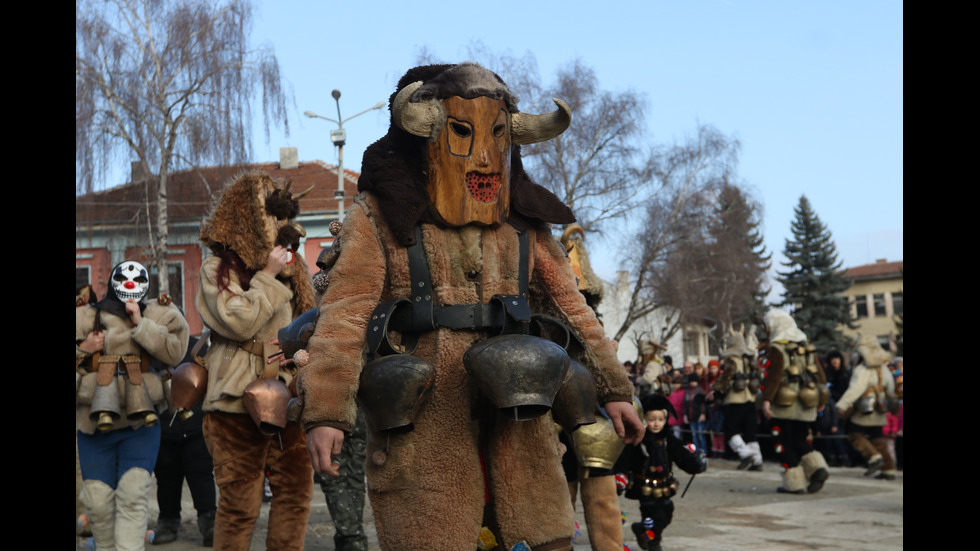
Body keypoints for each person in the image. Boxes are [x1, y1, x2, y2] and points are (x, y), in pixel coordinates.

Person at [298, 62, 644, 551]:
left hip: (522, 441)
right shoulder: (378, 216)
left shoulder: (526, 224)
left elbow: (573, 310)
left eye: (498, 135)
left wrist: (615, 388)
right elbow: (345, 318)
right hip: (423, 442)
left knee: (542, 541)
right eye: (462, 133)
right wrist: (327, 414)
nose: (484, 156)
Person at [196, 171, 317, 550]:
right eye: (270, 215)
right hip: (234, 403)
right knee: (238, 507)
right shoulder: (216, 269)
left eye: (282, 217)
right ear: (246, 219)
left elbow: (309, 324)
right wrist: (267, 275)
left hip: (289, 400)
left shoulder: (293, 271)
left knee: (296, 498)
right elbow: (237, 320)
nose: (279, 226)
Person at [76, 261, 190, 551]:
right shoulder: (83, 317)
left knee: (133, 492)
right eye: (123, 279)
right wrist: (82, 349)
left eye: (136, 279)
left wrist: (142, 324)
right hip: (92, 427)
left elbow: (176, 353)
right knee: (97, 502)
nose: (129, 285)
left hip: (141, 425)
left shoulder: (161, 313)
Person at [617, 393, 707, 551]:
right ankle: (654, 543)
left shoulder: (669, 439)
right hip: (643, 486)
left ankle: (641, 530)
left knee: (666, 515)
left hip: (665, 485)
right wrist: (621, 475)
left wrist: (695, 464)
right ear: (643, 419)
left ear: (666, 420)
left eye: (660, 419)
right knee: (651, 517)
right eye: (651, 420)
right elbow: (625, 459)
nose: (656, 423)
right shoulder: (638, 439)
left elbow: (681, 455)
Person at [151, 335, 216, 546]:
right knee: (167, 478)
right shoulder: (151, 345)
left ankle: (209, 522)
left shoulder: (196, 346)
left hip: (196, 425)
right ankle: (168, 522)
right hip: (163, 428)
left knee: (201, 475)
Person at [759, 309, 831, 494]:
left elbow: (773, 376)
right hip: (807, 402)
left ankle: (794, 483)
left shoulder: (777, 347)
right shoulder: (806, 345)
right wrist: (822, 399)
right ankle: (817, 469)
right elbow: (820, 375)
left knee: (782, 442)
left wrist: (766, 400)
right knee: (799, 438)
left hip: (783, 404)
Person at [835, 335, 898, 480]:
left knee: (855, 435)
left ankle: (873, 458)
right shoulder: (884, 369)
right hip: (880, 408)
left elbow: (854, 390)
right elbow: (890, 389)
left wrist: (842, 405)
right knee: (878, 437)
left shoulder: (861, 370)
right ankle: (888, 468)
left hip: (865, 408)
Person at [709, 326, 764, 470]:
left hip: (735, 399)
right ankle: (758, 461)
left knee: (730, 430)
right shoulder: (751, 359)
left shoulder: (731, 359)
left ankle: (745, 454)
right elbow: (759, 375)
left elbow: (725, 378)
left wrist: (715, 393)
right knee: (750, 431)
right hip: (750, 399)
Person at [820, 350, 852, 466]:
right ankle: (831, 455)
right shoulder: (826, 374)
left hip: (842, 406)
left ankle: (843, 455)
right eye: (833, 359)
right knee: (828, 432)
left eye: (837, 358)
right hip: (828, 406)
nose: (835, 361)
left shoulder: (845, 375)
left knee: (838, 431)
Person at [681, 374, 708, 452]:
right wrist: (685, 415)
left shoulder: (700, 390)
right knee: (694, 436)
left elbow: (703, 404)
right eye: (691, 382)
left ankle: (703, 451)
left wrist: (703, 413)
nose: (693, 383)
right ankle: (696, 451)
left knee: (700, 435)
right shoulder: (687, 391)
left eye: (695, 381)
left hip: (699, 416)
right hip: (691, 416)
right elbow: (685, 404)